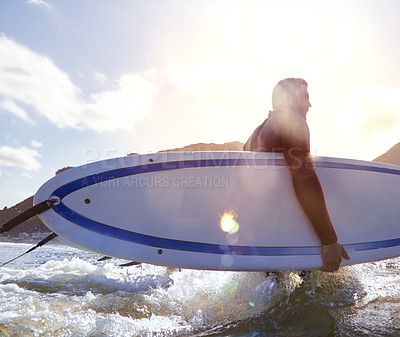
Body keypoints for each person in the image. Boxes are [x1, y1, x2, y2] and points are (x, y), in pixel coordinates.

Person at [244, 78, 349, 272]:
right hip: (289, 234)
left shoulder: (255, 135)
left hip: (265, 239)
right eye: (304, 97)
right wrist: (329, 240)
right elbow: (303, 177)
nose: (309, 104)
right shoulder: (292, 122)